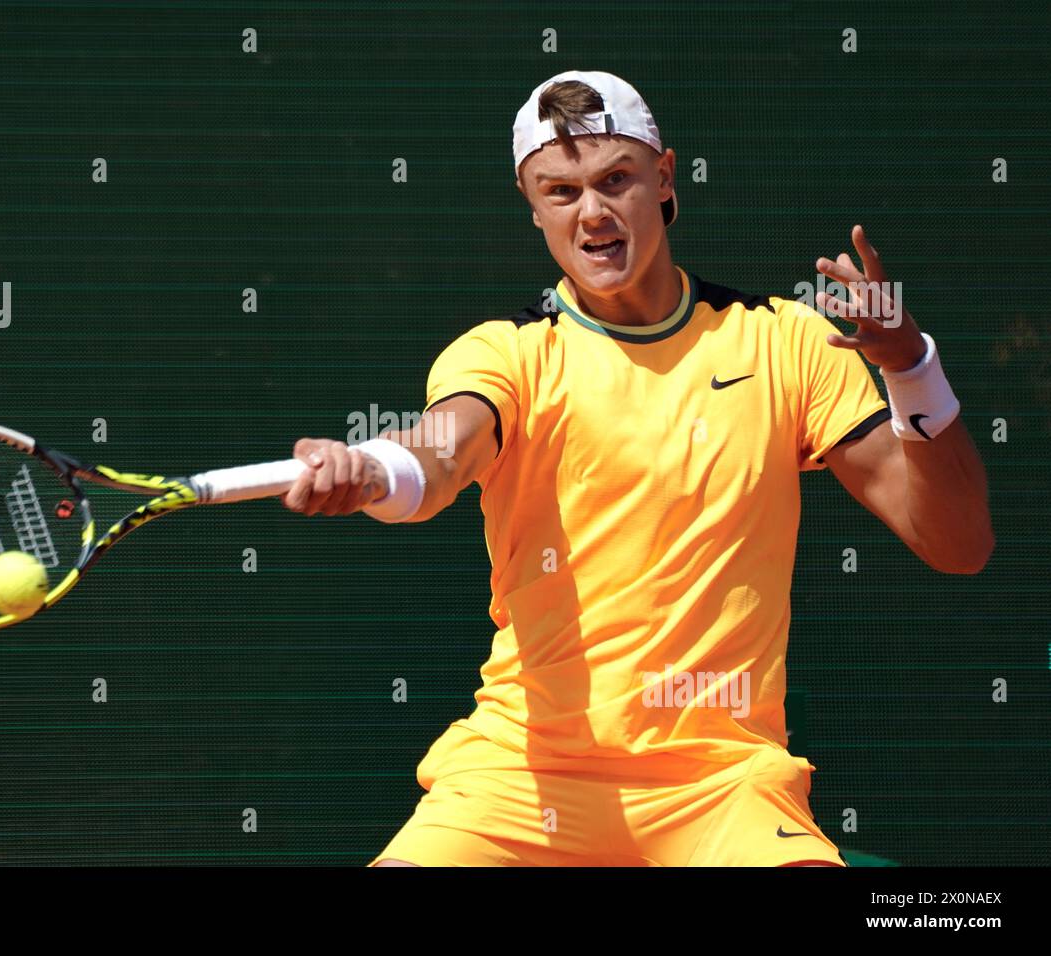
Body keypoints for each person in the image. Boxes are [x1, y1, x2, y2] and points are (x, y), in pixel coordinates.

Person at [282, 70, 993, 866]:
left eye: (615, 180)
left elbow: (957, 544)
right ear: (534, 209)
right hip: (521, 777)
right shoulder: (507, 354)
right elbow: (439, 451)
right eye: (561, 192)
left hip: (723, 789)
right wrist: (379, 471)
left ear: (664, 177)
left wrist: (910, 367)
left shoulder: (785, 342)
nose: (592, 213)